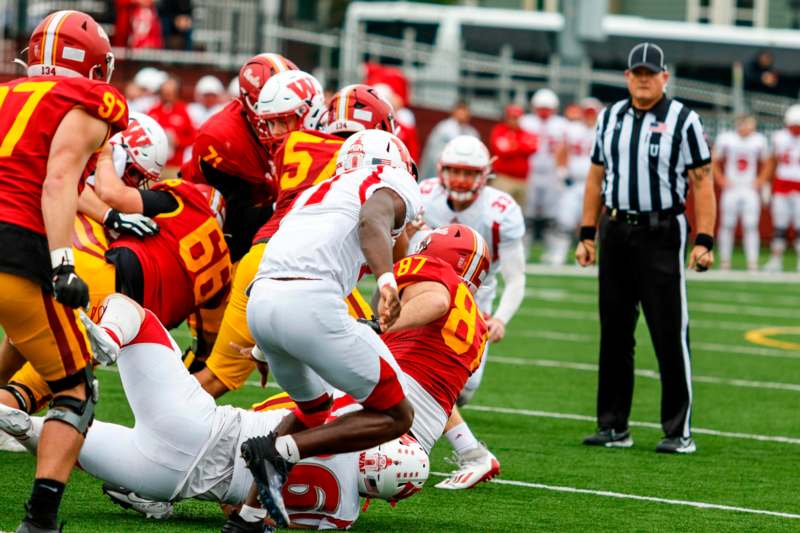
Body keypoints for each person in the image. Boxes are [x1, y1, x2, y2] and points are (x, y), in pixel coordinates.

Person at [0, 294, 429, 531]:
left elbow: (305, 396)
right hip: (166, 480)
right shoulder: (343, 517)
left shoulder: (345, 413)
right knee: (54, 434)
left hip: (198, 426)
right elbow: (243, 513)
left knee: (136, 314)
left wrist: (267, 349)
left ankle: (108, 338)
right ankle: (18, 424)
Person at [243, 129, 421, 527]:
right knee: (396, 414)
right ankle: (280, 451)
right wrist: (387, 281)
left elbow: (283, 253)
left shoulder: (316, 192)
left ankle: (248, 517)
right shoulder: (390, 180)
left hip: (263, 302)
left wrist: (262, 346)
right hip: (309, 304)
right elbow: (372, 219)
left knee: (314, 409)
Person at [1, 115, 230, 417]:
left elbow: (78, 187)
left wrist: (106, 165)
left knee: (44, 366)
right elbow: (206, 348)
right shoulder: (222, 271)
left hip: (94, 282)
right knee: (49, 384)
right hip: (121, 322)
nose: (137, 185)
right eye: (134, 174)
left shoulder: (175, 201)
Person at [0, 10, 128, 532]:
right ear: (94, 66)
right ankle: (41, 521)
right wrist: (63, 265)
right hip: (14, 249)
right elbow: (57, 182)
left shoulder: (7, 94)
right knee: (76, 387)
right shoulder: (92, 99)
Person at [195, 82, 395, 399]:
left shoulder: (293, 144)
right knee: (379, 364)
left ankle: (161, 418)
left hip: (258, 260)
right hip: (308, 270)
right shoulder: (369, 165)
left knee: (217, 376)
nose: (275, 130)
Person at [576, 42, 715, 454]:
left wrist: (703, 240)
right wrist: (587, 232)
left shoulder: (683, 120)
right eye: (636, 72)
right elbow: (595, 175)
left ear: (664, 78)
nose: (642, 79)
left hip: (661, 232)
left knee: (669, 332)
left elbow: (703, 181)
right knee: (615, 333)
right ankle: (614, 426)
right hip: (616, 228)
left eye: (650, 73)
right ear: (627, 77)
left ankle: (678, 431)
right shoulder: (610, 117)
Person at [415, 135, 526, 489]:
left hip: (476, 303)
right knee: (414, 370)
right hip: (422, 290)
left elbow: (516, 276)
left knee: (465, 386)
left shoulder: (500, 210)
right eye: (455, 171)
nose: (461, 179)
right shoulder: (422, 196)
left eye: (469, 172)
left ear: (485, 174)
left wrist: (500, 318)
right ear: (441, 170)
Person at [545, 97, 603, 266]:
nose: (589, 116)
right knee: (565, 220)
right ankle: (558, 255)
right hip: (574, 182)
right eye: (587, 113)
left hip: (595, 183)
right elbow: (561, 150)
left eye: (592, 113)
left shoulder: (602, 131)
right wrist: (561, 173)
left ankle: (587, 256)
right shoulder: (572, 130)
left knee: (591, 222)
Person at [713, 113, 769, 271]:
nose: (746, 127)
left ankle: (752, 262)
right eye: (743, 124)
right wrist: (720, 179)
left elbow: (767, 163)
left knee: (751, 225)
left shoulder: (759, 140)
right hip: (732, 186)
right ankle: (725, 261)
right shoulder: (726, 138)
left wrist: (760, 180)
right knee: (727, 224)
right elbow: (714, 159)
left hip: (749, 187)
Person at [520, 88, 569, 249]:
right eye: (541, 108)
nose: (544, 112)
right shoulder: (526, 122)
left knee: (552, 216)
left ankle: (554, 252)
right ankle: (523, 249)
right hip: (530, 171)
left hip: (551, 172)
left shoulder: (561, 124)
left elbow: (564, 148)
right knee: (526, 215)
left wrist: (561, 169)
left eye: (547, 108)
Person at [763, 104, 800, 272]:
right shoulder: (779, 137)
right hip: (781, 186)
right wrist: (765, 185)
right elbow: (772, 161)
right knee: (780, 226)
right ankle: (776, 260)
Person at [488, 104, 539, 207]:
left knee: (519, 213)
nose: (514, 120)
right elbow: (502, 150)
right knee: (499, 210)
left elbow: (533, 148)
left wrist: (514, 144)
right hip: (503, 178)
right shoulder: (499, 130)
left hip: (522, 180)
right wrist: (522, 146)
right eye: (511, 117)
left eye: (516, 118)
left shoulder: (525, 132)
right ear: (506, 117)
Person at [419, 100, 479, 179]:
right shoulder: (443, 128)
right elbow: (433, 155)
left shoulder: (472, 132)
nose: (463, 113)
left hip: (464, 174)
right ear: (454, 111)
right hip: (442, 172)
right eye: (460, 110)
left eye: (465, 110)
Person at [148, 76, 195, 176]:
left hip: (174, 165)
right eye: (165, 92)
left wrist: (179, 141)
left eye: (170, 92)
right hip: (153, 165)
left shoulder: (184, 111)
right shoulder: (153, 110)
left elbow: (193, 136)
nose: (167, 95)